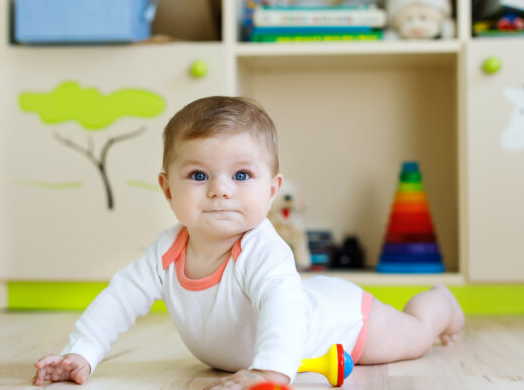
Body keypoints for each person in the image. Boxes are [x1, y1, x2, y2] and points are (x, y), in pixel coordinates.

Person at [32, 96, 465, 389]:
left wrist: (271, 371)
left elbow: (283, 307)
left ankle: (438, 303)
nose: (220, 190)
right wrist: (82, 353)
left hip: (343, 321)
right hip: (298, 309)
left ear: (272, 188)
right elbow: (119, 300)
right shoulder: (166, 252)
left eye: (241, 175)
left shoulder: (260, 248)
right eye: (199, 175)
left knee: (415, 338)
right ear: (167, 189)